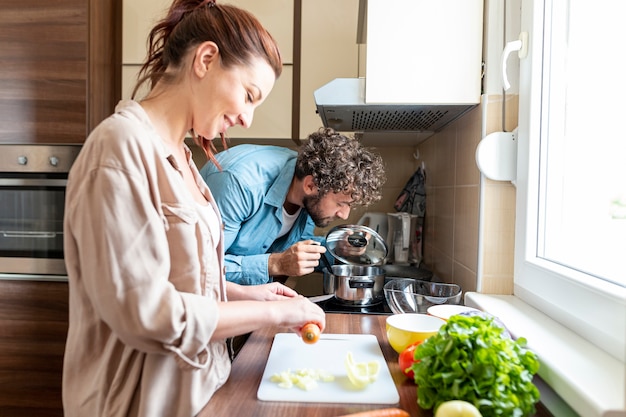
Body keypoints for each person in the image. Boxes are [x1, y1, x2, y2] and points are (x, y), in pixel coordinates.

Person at [61, 1, 325, 416]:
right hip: (138, 401)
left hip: (198, 392)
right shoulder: (120, 148)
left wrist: (245, 293)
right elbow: (146, 313)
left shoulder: (185, 160)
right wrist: (270, 313)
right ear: (206, 59)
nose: (247, 118)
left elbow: (183, 278)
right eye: (249, 95)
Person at [199, 127, 386, 285]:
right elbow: (202, 268)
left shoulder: (309, 195)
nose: (344, 215)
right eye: (341, 203)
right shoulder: (240, 184)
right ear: (310, 185)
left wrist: (339, 248)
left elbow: (298, 248)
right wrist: (275, 264)